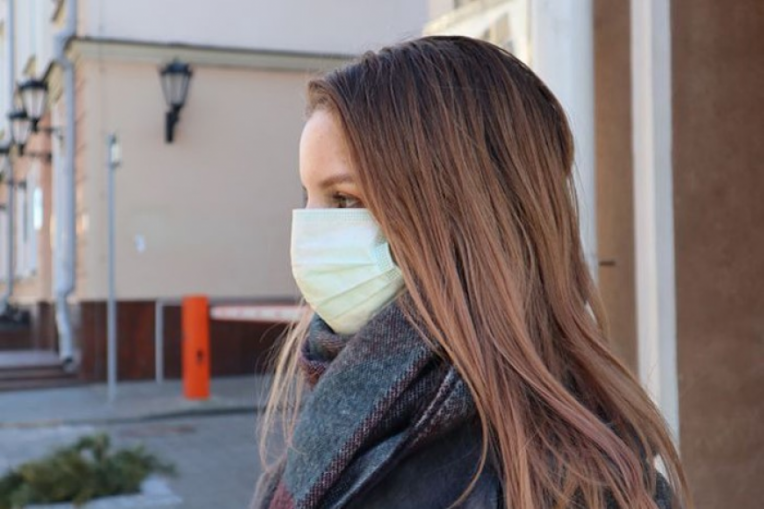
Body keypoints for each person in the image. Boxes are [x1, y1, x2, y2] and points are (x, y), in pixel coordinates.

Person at [250, 35, 692, 509]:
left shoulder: (567, 484)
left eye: (344, 199)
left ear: (461, 215)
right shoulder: (341, 414)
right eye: (308, 197)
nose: (310, 228)